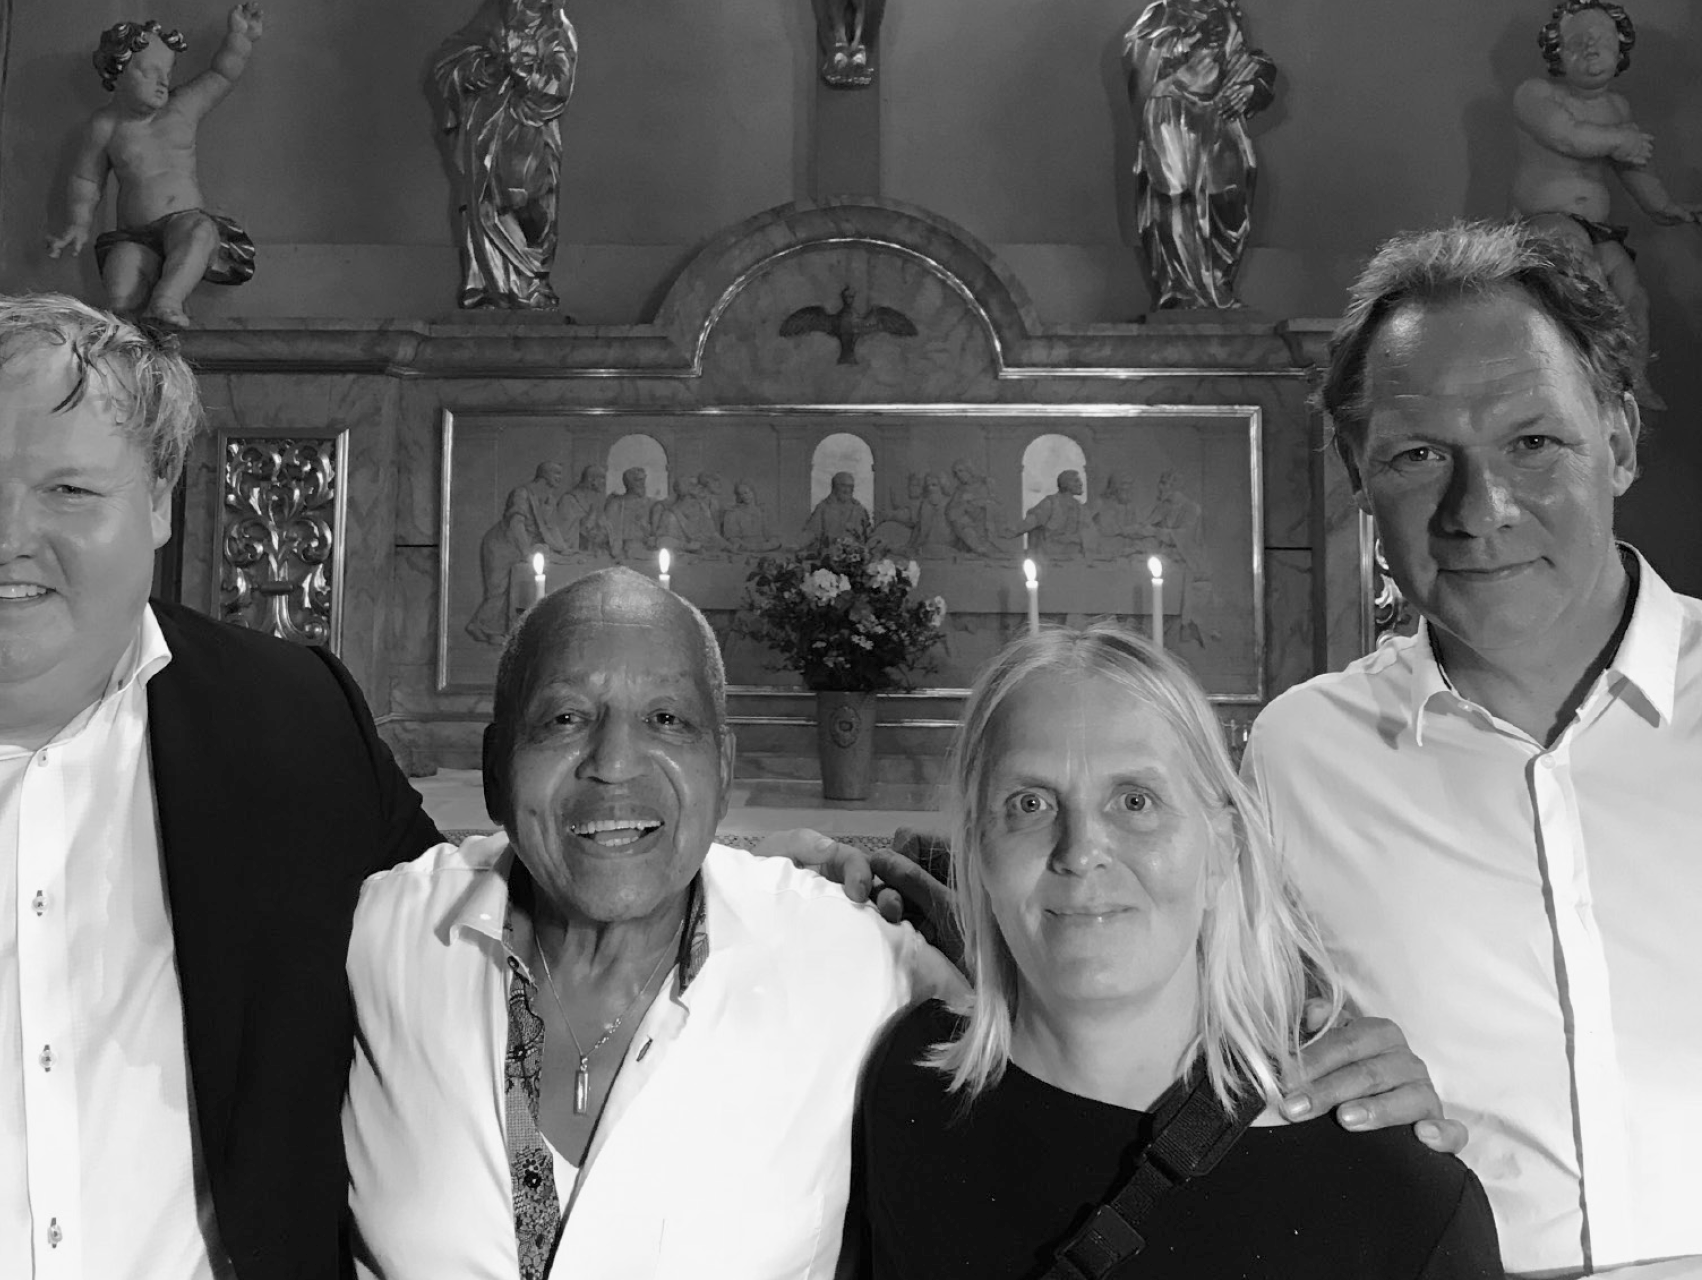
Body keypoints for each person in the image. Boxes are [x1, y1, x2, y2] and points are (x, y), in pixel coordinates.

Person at [344, 570, 1462, 1280]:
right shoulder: (377, 935)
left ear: (725, 765)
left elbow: (1072, 970)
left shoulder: (846, 967)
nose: (613, 764)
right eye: (562, 719)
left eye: (668, 719)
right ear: (493, 766)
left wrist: (1311, 1029)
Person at [0, 293, 445, 1276]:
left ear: (161, 499)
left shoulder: (297, 727)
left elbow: (493, 975)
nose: (5, 537)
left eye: (70, 490)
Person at [1246, 219, 1702, 1276]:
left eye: (1532, 443)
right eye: (1418, 457)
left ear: (1619, 442)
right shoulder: (1300, 759)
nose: (1479, 510)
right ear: (1359, 477)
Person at [856, 626, 1501, 1278]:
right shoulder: (906, 1094)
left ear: (1222, 847)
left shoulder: (1395, 1202)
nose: (1081, 852)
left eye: (1135, 801)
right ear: (978, 848)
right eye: (1030, 804)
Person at [1512, 0, 1701, 409]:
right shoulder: (1535, 94)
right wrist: (1619, 139)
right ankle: (1589, 377)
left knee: (1633, 296)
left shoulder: (1617, 108)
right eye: (1577, 42)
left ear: (1620, 50)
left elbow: (1633, 167)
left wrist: (1663, 207)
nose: (1591, 49)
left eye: (1602, 41)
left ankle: (1633, 379)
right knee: (1587, 278)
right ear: (1557, 52)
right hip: (1548, 222)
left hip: (1598, 228)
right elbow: (1567, 136)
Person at [46, 6, 264, 327]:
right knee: (121, 287)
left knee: (200, 233)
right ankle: (124, 331)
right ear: (117, 71)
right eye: (149, 72)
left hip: (183, 224)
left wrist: (240, 38)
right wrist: (78, 222)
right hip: (134, 236)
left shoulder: (182, 108)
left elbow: (222, 75)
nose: (163, 82)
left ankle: (167, 302)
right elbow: (86, 179)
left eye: (168, 72)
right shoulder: (105, 125)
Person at [1123, 0, 1276, 310]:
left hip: (1219, 113)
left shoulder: (1226, 13)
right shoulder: (1163, 11)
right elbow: (1138, 58)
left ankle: (1218, 281)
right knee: (1175, 197)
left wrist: (1251, 89)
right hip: (1171, 111)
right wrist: (1185, 40)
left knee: (1230, 196)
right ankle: (1182, 288)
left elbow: (1245, 61)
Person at [431, 0, 578, 310]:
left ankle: (532, 284)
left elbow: (558, 87)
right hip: (489, 135)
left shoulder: (557, 30)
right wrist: (484, 68)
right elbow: (450, 62)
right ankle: (487, 286)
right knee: (487, 206)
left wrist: (521, 69)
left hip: (532, 140)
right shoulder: (491, 20)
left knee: (533, 211)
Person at [467, 460, 569, 644]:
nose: (559, 478)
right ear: (544, 474)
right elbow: (516, 523)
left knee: (512, 587)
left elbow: (551, 528)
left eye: (560, 474)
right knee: (498, 589)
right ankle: (482, 627)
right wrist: (526, 551)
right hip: (502, 544)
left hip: (523, 546)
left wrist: (563, 549)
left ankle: (490, 628)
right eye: (556, 474)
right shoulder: (522, 493)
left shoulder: (549, 499)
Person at [1003, 469, 1088, 561]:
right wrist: (1010, 532)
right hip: (1051, 557)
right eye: (1076, 481)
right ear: (1065, 484)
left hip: (1074, 557)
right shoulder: (1051, 503)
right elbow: (1032, 521)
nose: (1080, 484)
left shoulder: (1080, 507)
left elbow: (1089, 531)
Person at [803, 470, 874, 546]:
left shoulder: (859, 509)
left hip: (855, 551)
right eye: (843, 486)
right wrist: (797, 545)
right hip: (830, 552)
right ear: (834, 487)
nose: (847, 490)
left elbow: (868, 534)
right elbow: (811, 533)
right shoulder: (823, 508)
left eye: (850, 486)